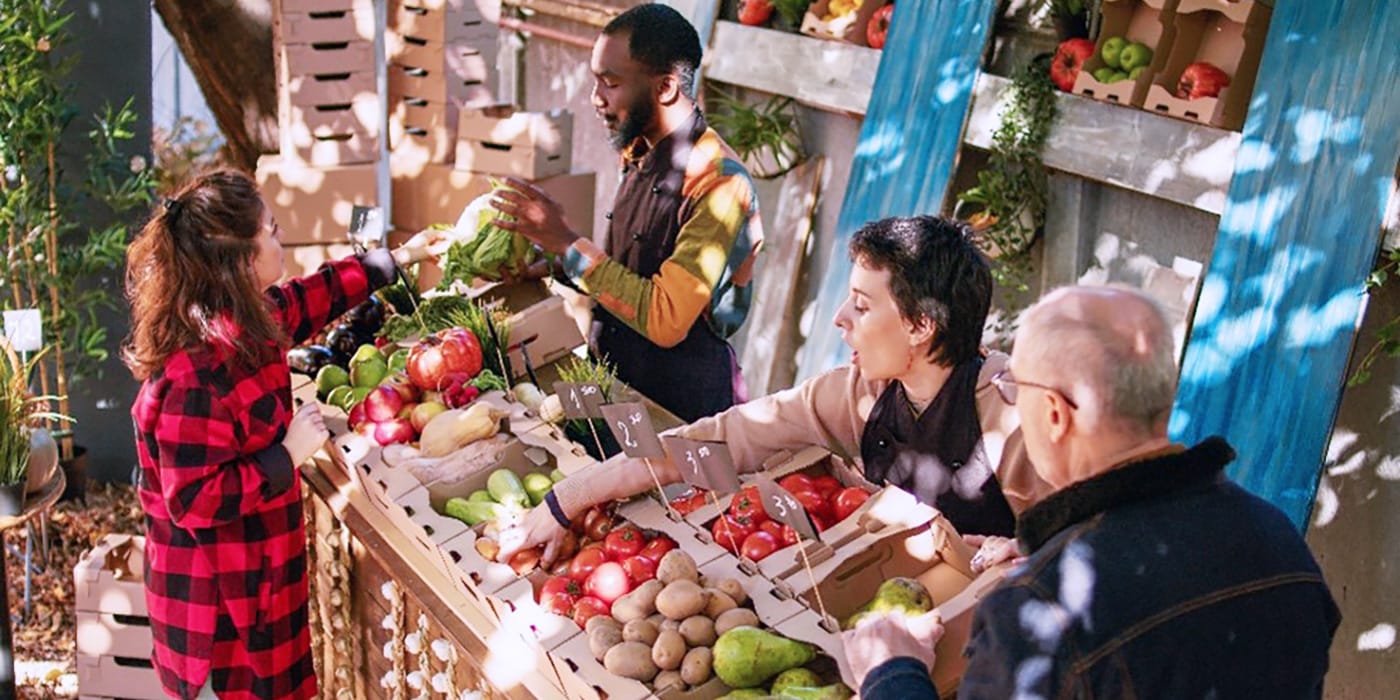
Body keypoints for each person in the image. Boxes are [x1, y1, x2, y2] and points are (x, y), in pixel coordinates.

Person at [844, 286, 1341, 699]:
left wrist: (890, 673)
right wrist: (1056, 548)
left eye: (1015, 389)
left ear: (1056, 413)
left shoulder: (1039, 613)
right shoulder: (1278, 540)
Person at [499, 215, 1052, 566]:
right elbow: (715, 441)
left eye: (861, 305)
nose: (839, 318)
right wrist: (567, 498)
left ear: (919, 327)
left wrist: (1027, 553)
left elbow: (1105, 546)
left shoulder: (1011, 420)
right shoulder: (860, 395)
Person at [123, 169, 443, 699]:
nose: (281, 239)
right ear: (243, 261)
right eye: (270, 232)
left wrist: (396, 261)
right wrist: (286, 455)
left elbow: (307, 299)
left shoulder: (248, 319)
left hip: (259, 585)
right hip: (218, 618)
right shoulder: (195, 373)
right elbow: (194, 499)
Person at [491, 3, 763, 423]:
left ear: (666, 88)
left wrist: (568, 242)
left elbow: (666, 318)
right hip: (618, 383)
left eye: (610, 83)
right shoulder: (640, 150)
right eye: (595, 81)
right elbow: (629, 276)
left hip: (680, 410)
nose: (596, 98)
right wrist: (556, 262)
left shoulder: (721, 184)